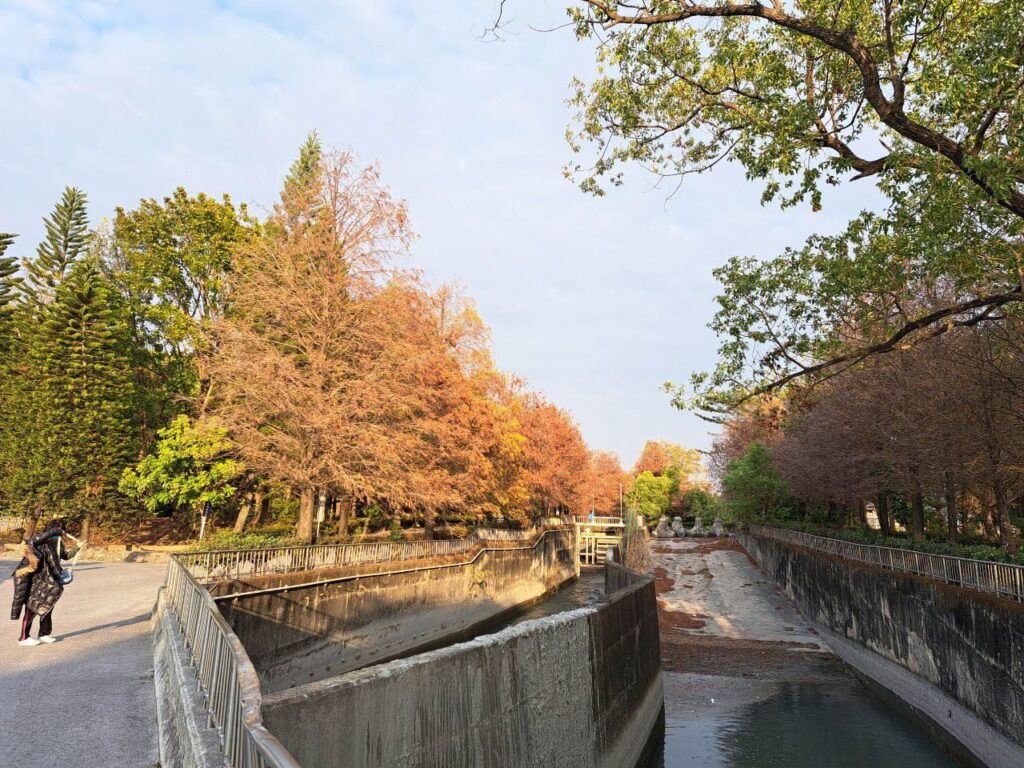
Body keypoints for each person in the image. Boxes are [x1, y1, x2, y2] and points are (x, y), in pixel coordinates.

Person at [10, 519, 81, 647]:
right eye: (57, 530)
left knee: (48, 607)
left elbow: (65, 555)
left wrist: (77, 548)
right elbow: (31, 541)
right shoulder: (40, 542)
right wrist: (55, 531)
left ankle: (43, 634)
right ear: (51, 530)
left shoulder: (57, 544)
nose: (59, 533)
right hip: (37, 580)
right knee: (31, 608)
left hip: (51, 580)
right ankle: (23, 637)